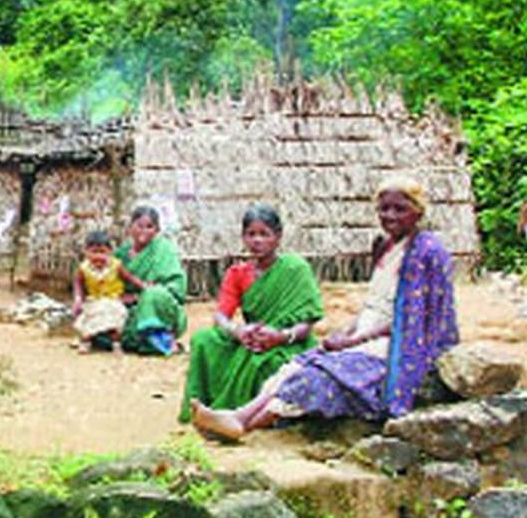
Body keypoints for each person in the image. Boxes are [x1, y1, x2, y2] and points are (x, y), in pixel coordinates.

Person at [191, 178, 459, 442]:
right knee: (296, 365)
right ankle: (238, 417)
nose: (390, 215)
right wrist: (347, 332)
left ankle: (244, 425)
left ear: (418, 211)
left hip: (400, 343)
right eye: (384, 208)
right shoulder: (385, 246)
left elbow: (409, 318)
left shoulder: (426, 252)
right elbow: (373, 305)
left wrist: (351, 341)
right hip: (367, 335)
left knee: (316, 377)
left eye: (400, 209)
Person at [179, 205, 323, 423]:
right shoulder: (237, 273)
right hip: (252, 339)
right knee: (203, 339)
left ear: (278, 237)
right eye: (251, 234)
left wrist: (280, 336)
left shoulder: (295, 269)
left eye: (264, 234)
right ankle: (201, 407)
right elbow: (221, 316)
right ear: (243, 237)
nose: (257, 241)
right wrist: (238, 331)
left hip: (288, 342)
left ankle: (248, 415)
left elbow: (307, 323)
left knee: (269, 363)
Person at [115, 206, 188, 355]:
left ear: (157, 230)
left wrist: (140, 296)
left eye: (149, 227)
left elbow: (177, 288)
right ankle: (145, 340)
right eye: (139, 226)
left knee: (152, 293)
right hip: (130, 309)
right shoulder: (120, 254)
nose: (143, 231)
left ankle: (163, 337)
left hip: (160, 307)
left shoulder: (164, 249)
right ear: (130, 227)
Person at [72, 230, 127, 353]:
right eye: (94, 252)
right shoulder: (84, 268)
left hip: (112, 300)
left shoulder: (116, 265)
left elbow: (129, 278)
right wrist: (78, 298)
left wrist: (143, 286)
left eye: (102, 252)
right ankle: (86, 342)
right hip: (94, 300)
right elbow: (78, 283)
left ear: (110, 252)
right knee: (88, 321)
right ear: (86, 252)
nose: (98, 256)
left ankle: (116, 344)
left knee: (114, 321)